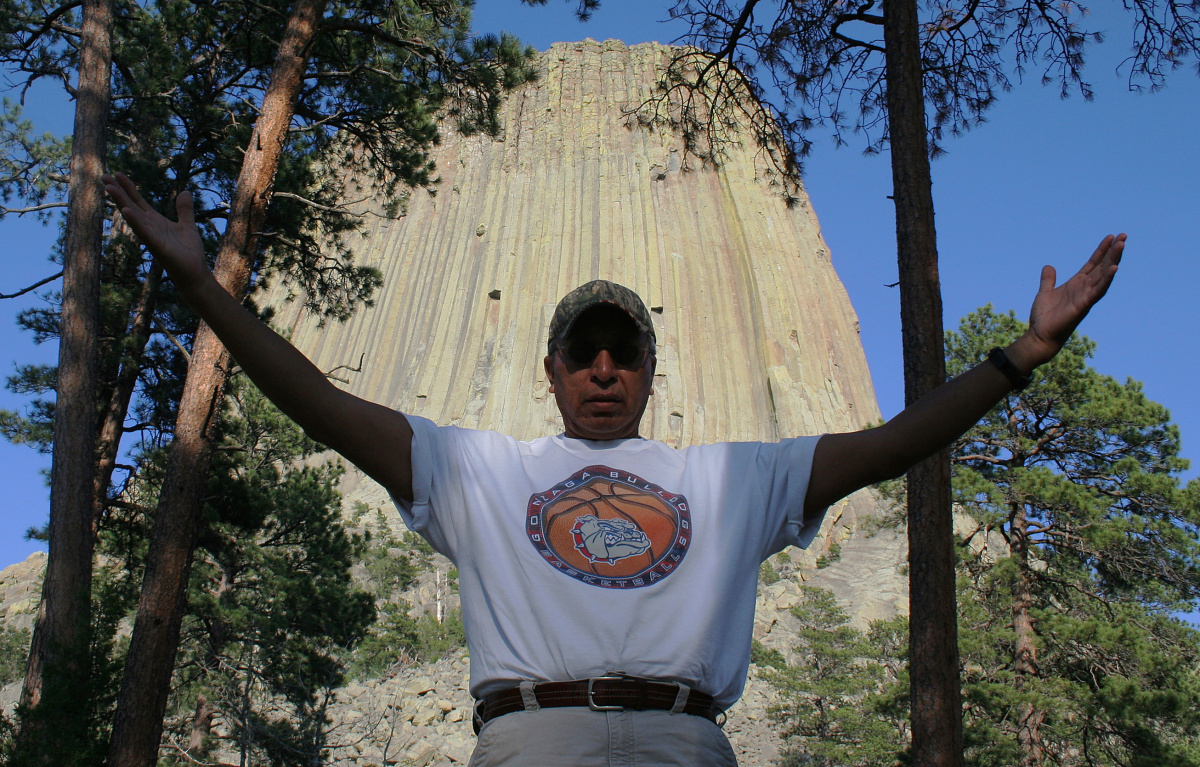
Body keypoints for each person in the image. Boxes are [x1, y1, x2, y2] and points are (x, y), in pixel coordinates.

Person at [102, 172, 1124, 766]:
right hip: (530, 740)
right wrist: (206, 288)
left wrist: (1020, 358)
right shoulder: (481, 469)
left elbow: (888, 445)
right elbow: (321, 404)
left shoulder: (731, 479)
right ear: (550, 371)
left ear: (649, 369)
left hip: (685, 744)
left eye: (622, 352)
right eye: (583, 352)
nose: (603, 368)